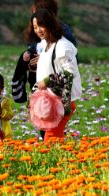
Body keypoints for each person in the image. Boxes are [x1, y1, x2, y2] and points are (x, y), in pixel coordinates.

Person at [32, 9, 82, 141]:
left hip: (61, 101)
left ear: (49, 24)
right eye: (35, 27)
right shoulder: (47, 44)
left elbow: (69, 73)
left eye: (41, 26)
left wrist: (47, 81)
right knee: (55, 137)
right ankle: (59, 160)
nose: (38, 30)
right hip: (52, 100)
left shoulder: (63, 46)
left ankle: (55, 161)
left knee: (51, 138)